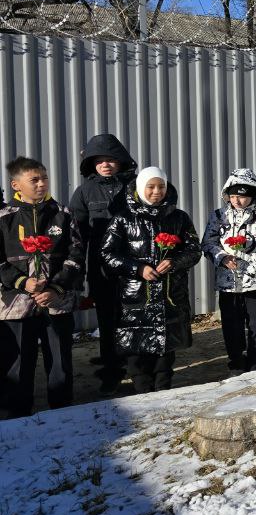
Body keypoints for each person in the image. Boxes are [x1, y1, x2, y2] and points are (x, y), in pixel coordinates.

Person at [100, 167, 201, 394]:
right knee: (137, 346)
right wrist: (138, 268)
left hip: (169, 293)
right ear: (140, 188)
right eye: (151, 186)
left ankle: (164, 389)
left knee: (165, 346)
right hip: (135, 295)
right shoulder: (123, 219)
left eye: (161, 186)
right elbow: (107, 254)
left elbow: (194, 249)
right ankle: (142, 390)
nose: (157, 192)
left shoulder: (179, 217)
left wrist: (174, 262)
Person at [0, 156, 85, 417]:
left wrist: (55, 288)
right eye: (33, 180)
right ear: (16, 185)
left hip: (56, 302)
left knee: (59, 359)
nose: (41, 184)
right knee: (17, 362)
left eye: (44, 178)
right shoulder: (4, 219)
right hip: (16, 305)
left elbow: (76, 254)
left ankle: (60, 410)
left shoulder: (63, 214)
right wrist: (22, 282)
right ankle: (17, 413)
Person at [68, 133, 136, 392]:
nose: (106, 164)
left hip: (133, 264)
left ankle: (136, 363)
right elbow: (77, 235)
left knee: (133, 314)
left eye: (111, 159)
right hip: (101, 268)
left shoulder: (136, 186)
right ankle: (111, 368)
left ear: (121, 160)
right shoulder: (85, 191)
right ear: (92, 164)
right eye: (99, 160)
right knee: (107, 319)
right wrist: (79, 272)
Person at [201, 168, 256, 372]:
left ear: (254, 195)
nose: (237, 201)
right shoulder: (218, 216)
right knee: (231, 325)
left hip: (255, 282)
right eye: (233, 196)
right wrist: (222, 257)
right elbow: (208, 243)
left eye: (242, 196)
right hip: (227, 283)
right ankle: (236, 362)